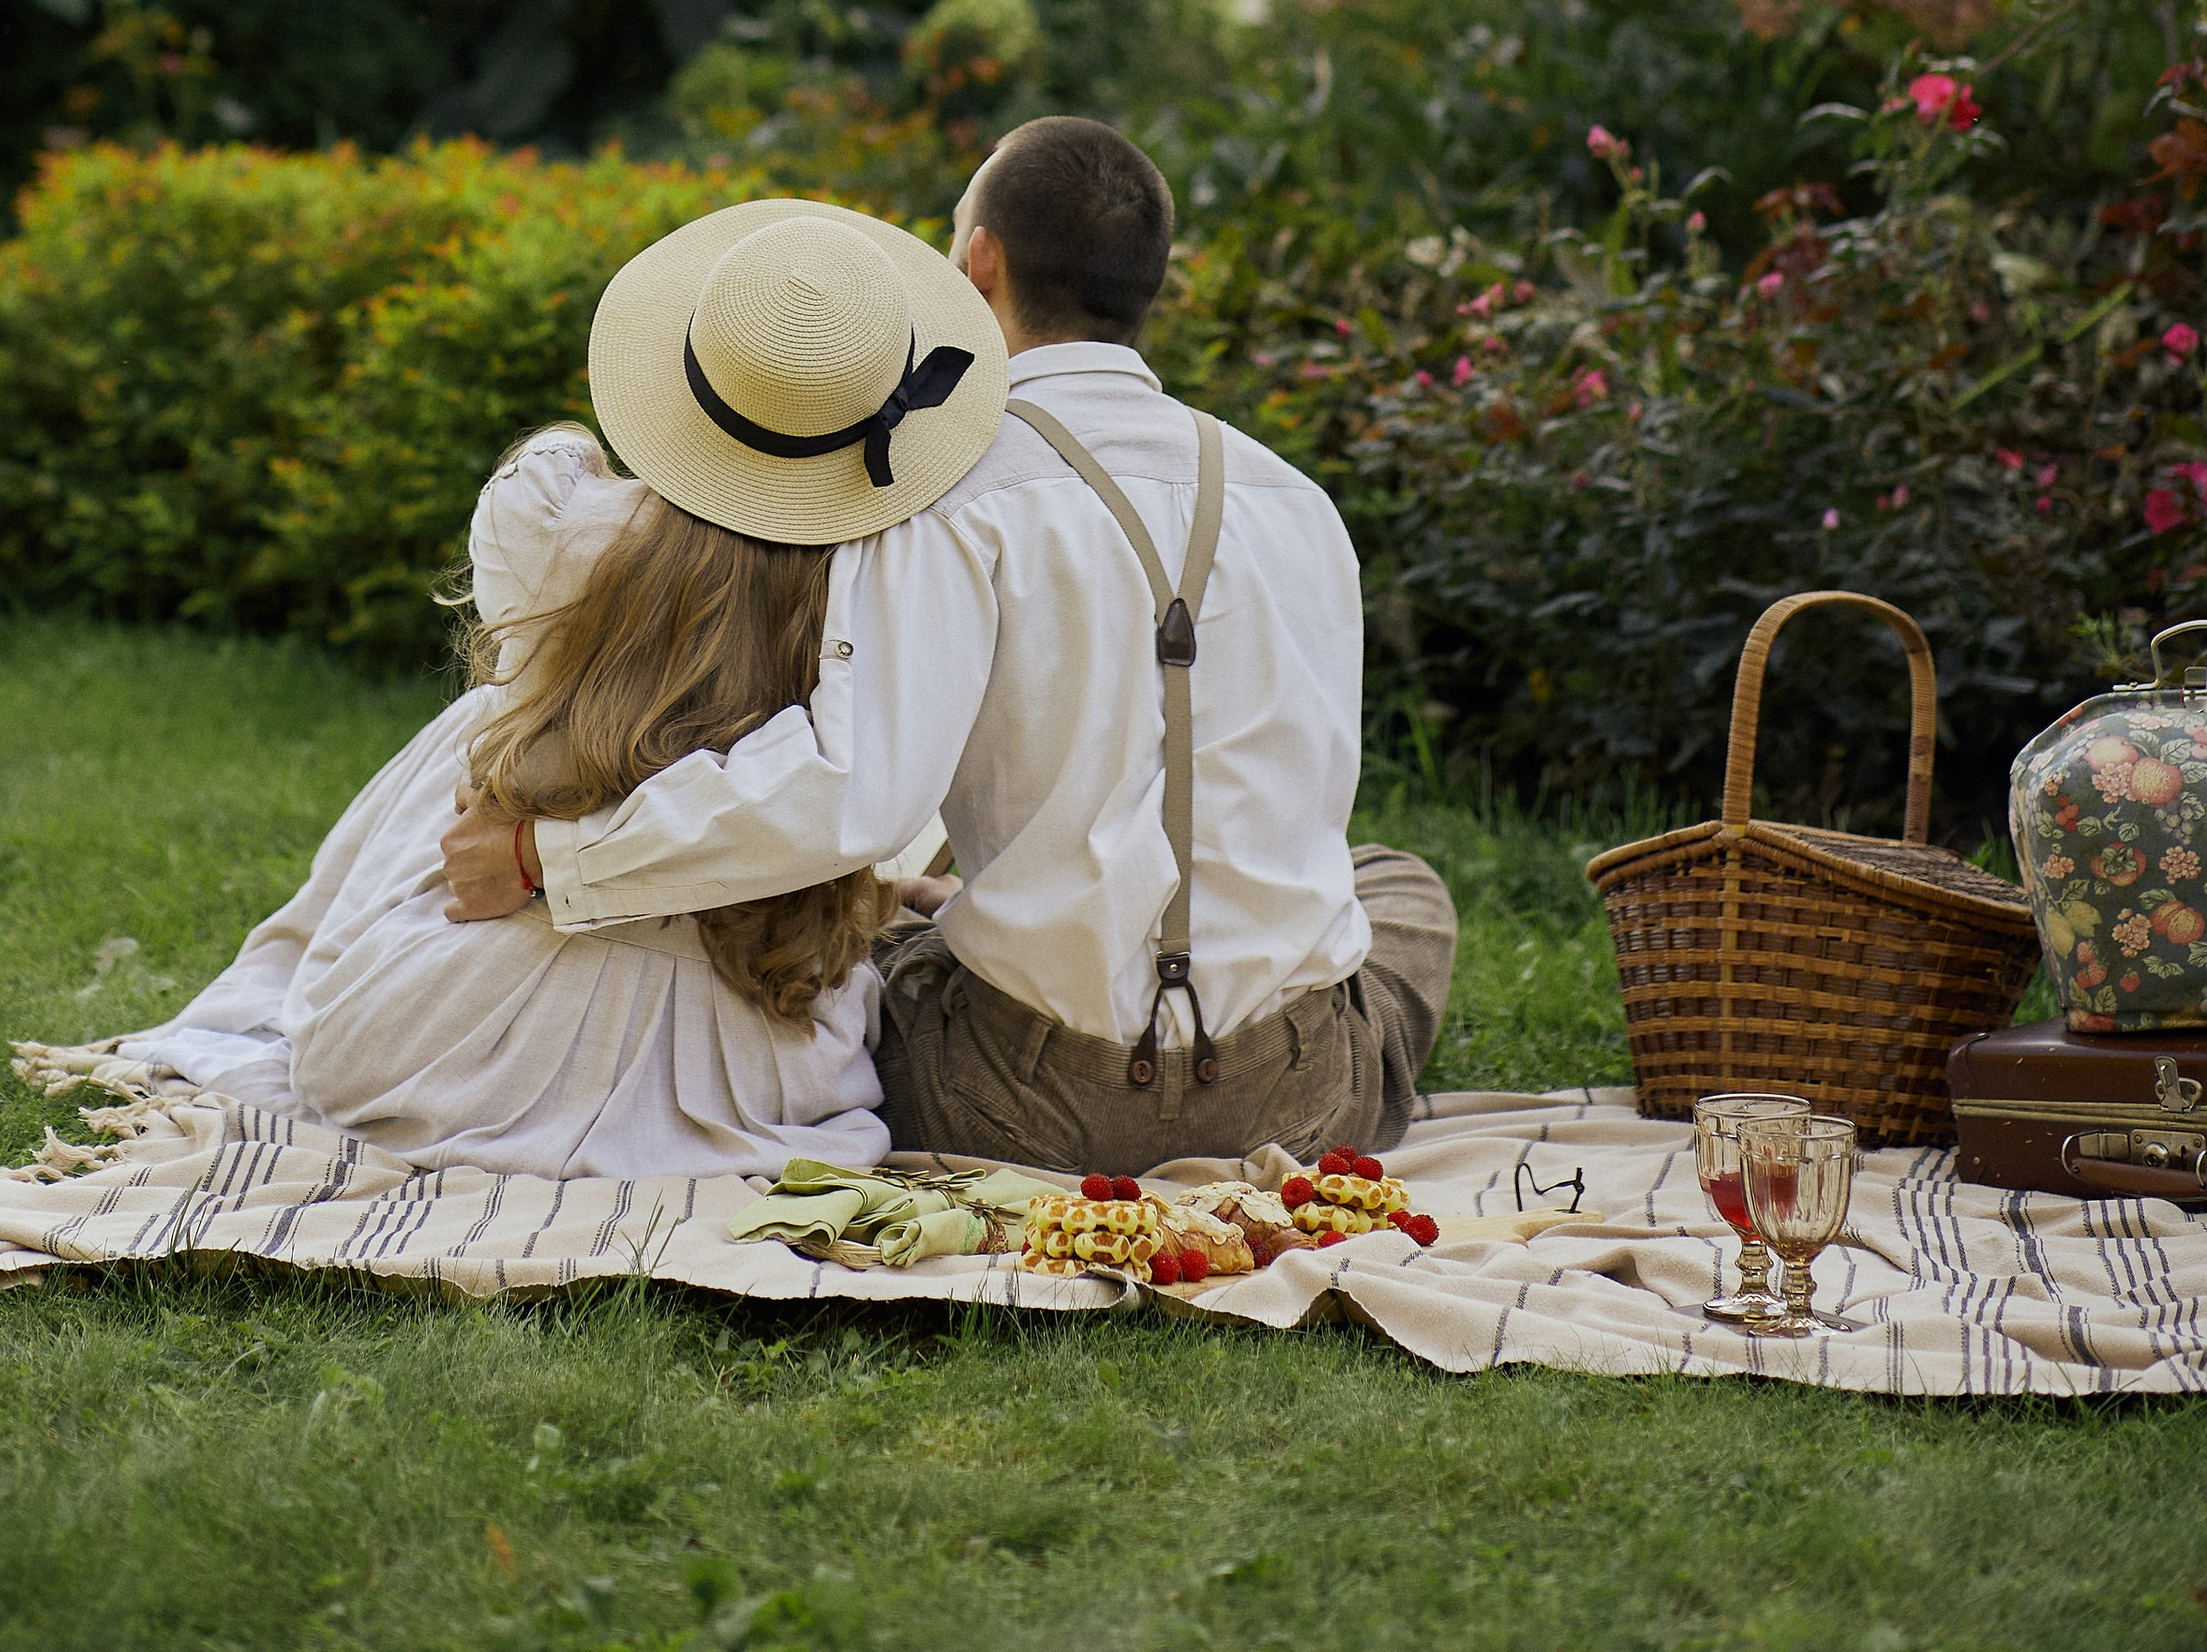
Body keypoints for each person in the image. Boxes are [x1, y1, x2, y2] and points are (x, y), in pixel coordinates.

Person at [446, 117, 1457, 1178]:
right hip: (1293, 1101)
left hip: (1016, 1107)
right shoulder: (1296, 502)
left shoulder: (947, 499)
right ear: (1147, 285)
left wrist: (547, 860)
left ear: (980, 264)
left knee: (857, 943)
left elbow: (853, 796)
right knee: (1396, 886)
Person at [111, 199, 1009, 1177]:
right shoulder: (888, 595)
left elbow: (552, 461)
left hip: (453, 1043)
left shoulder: (554, 530)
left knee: (498, 709)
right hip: (753, 1073)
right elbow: (834, 793)